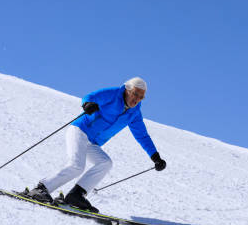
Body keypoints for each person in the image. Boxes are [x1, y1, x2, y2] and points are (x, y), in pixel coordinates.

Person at [25, 77, 166, 213]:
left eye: (141, 97)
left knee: (105, 163)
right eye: (135, 94)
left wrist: (155, 157)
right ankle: (42, 189)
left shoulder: (134, 113)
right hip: (80, 131)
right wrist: (88, 104)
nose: (136, 99)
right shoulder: (113, 94)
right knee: (77, 166)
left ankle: (76, 195)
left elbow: (142, 135)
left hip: (93, 142)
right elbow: (91, 96)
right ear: (127, 90)